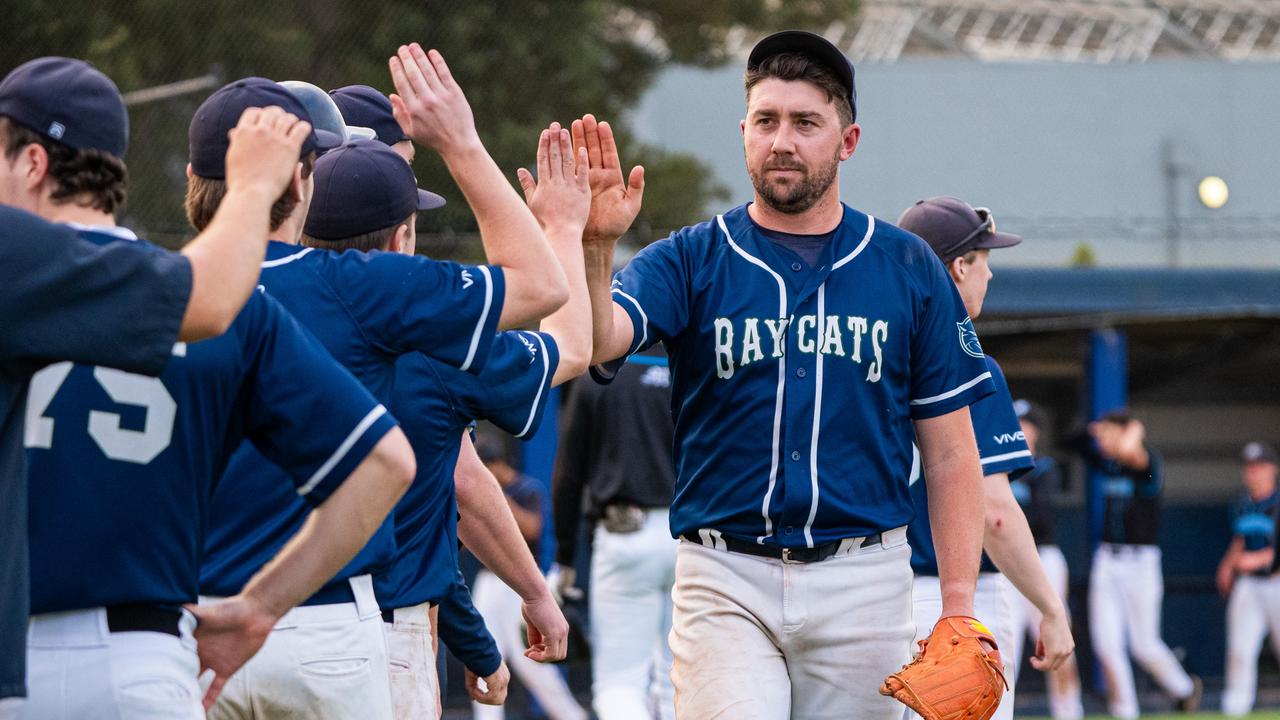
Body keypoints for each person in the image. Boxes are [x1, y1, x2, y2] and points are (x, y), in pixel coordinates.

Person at [578, 30, 998, 719]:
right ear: (744, 132)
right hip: (724, 573)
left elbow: (952, 454)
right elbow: (600, 341)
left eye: (806, 123)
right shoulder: (690, 257)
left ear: (848, 140)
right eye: (767, 121)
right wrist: (597, 250)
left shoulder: (909, 266)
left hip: (865, 576)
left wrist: (957, 607)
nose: (783, 140)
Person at [194, 45, 567, 720]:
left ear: (192, 176)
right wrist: (459, 143)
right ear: (305, 180)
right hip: (330, 626)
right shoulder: (360, 289)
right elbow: (544, 288)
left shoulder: (156, 291)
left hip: (188, 630)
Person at [0, 55, 315, 715]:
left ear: (33, 164)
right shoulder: (27, 257)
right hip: (134, 657)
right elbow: (206, 299)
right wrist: (255, 188)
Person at [299, 111, 594, 718]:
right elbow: (571, 344)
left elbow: (457, 483)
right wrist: (565, 228)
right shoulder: (433, 340)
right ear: (403, 237)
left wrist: (477, 639)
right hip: (376, 627)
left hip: (242, 618)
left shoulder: (245, 300)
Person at [896, 198, 1074, 720]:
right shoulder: (970, 364)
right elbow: (993, 511)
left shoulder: (867, 356)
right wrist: (1051, 607)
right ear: (957, 267)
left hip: (867, 592)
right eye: (983, 258)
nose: (990, 272)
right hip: (952, 600)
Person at [552, 346, 676, 720]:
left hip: (625, 536)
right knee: (681, 683)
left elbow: (568, 474)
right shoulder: (696, 365)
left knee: (620, 684)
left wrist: (565, 558)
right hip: (692, 541)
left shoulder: (600, 372)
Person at [1081, 409, 1201, 717]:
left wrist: (1131, 431)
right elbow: (1073, 443)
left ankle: (1184, 690)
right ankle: (1125, 711)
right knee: (1107, 644)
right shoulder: (1107, 464)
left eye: (1111, 433)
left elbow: (1132, 455)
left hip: (1141, 562)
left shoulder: (1148, 464)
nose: (1103, 440)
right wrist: (1098, 431)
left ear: (1127, 433)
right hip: (1107, 558)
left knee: (1144, 645)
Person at [471, 437, 589, 720]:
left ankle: (572, 716)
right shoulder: (481, 492)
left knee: (533, 665)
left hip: (518, 585)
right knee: (483, 660)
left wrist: (495, 496)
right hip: (488, 582)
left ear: (496, 465)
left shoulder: (526, 488)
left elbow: (533, 528)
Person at [1008, 399, 1086, 720]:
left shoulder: (1043, 468)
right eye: (1016, 423)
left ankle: (1069, 713)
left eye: (1027, 424)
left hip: (1042, 557)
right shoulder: (996, 468)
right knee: (1004, 640)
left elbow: (1041, 518)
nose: (1021, 430)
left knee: (1054, 638)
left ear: (1036, 431)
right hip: (1005, 561)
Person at [1218, 441, 1280, 717]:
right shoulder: (1244, 503)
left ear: (1273, 469)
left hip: (1276, 582)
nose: (1253, 473)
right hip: (1249, 586)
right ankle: (1235, 708)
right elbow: (1240, 539)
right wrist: (1227, 565)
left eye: (1259, 467)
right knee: (1240, 650)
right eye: (1249, 467)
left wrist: (1260, 559)